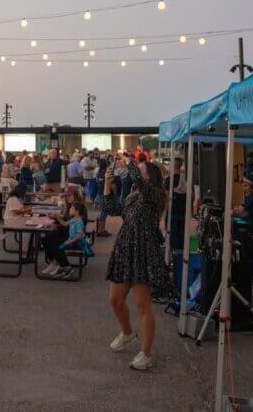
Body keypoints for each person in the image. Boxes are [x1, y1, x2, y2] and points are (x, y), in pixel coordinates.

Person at [102, 155, 169, 371]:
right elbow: (112, 209)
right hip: (125, 247)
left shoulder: (157, 195)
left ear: (149, 175)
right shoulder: (134, 194)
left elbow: (139, 182)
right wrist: (107, 184)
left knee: (143, 305)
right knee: (115, 299)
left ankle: (146, 354)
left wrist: (128, 159)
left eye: (140, 170)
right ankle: (128, 333)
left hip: (143, 250)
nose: (135, 173)